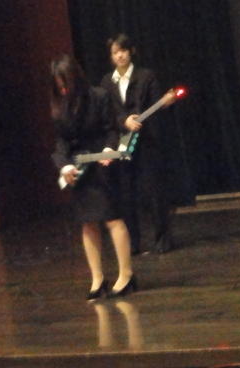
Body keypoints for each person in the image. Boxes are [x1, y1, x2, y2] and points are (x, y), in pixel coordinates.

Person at [50, 54, 136, 299]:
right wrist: (63, 166)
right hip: (80, 168)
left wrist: (109, 148)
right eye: (59, 85)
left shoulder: (99, 96)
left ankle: (126, 275)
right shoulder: (61, 105)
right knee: (87, 222)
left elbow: (112, 129)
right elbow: (61, 142)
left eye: (66, 83)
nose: (63, 89)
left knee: (112, 219)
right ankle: (97, 279)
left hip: (102, 165)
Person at [100, 34, 176, 256]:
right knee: (126, 194)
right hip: (122, 144)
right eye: (115, 52)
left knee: (154, 191)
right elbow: (107, 113)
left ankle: (162, 238)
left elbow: (157, 106)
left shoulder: (146, 76)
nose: (120, 55)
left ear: (131, 51)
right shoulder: (107, 82)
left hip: (147, 141)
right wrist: (124, 120)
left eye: (123, 50)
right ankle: (132, 242)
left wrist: (163, 104)